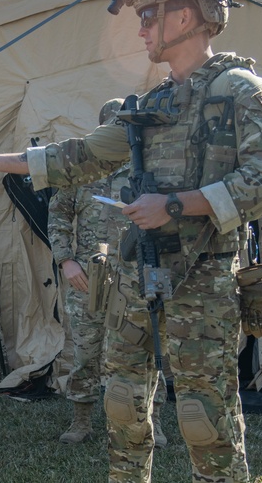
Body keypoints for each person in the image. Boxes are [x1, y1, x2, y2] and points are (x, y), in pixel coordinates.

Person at [0, 0, 262, 483]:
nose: (141, 31)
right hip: (134, 279)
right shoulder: (151, 104)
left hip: (202, 285)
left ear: (186, 16)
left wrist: (175, 205)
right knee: (123, 404)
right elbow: (80, 156)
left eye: (149, 18)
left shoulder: (240, 91)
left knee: (203, 419)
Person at [48, 100, 167, 447]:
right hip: (90, 278)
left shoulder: (146, 171)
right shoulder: (83, 170)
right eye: (112, 127)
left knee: (145, 350)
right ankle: (81, 420)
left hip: (136, 277)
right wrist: (66, 260)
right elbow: (57, 216)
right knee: (86, 350)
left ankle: (151, 421)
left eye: (124, 128)